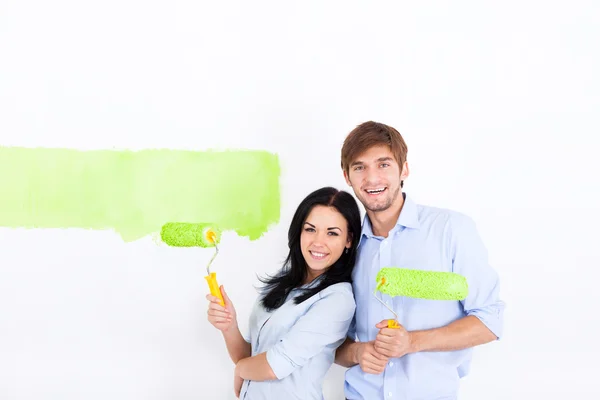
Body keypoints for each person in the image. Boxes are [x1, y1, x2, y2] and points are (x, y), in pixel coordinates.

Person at [334, 121, 505, 400]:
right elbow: (331, 338)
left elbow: (490, 321)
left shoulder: (451, 230)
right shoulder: (345, 245)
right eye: (359, 167)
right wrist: (355, 351)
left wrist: (412, 342)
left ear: (404, 169)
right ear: (347, 176)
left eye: (383, 164)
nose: (372, 178)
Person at [206, 186, 362, 399]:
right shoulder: (283, 281)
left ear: (349, 240)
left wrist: (241, 370)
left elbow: (274, 366)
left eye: (332, 233)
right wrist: (229, 325)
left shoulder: (338, 300)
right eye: (310, 229)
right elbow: (249, 357)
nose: (318, 242)